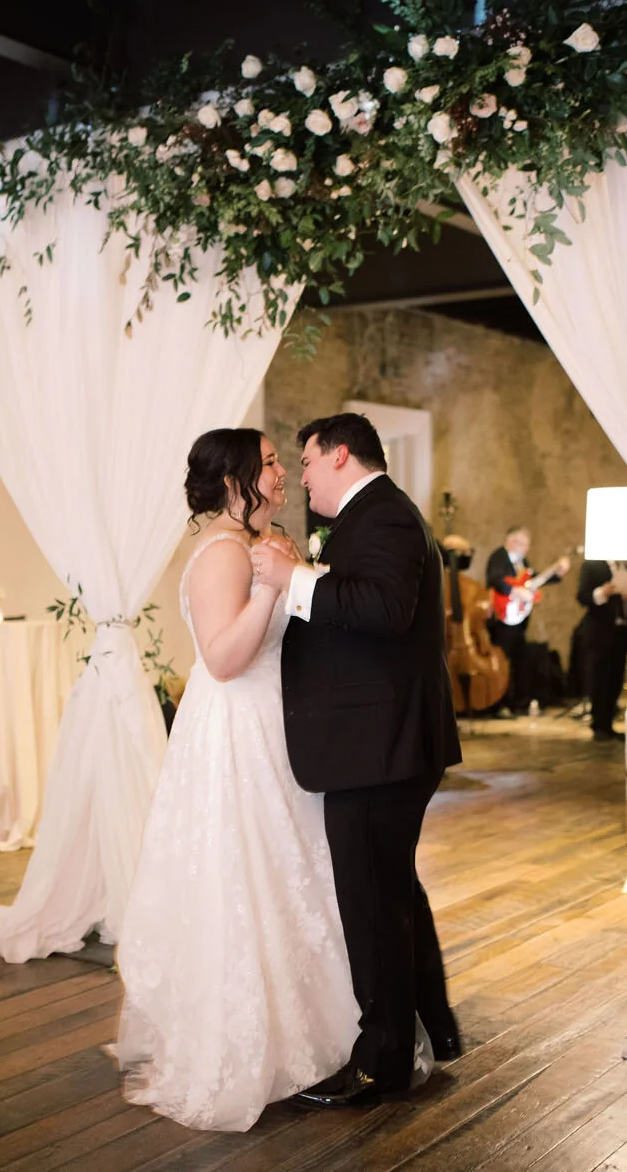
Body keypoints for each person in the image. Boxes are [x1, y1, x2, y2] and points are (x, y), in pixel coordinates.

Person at [115, 428, 361, 1132]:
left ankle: (309, 1033)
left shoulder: (261, 540)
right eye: (272, 460)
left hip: (270, 722)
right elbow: (222, 658)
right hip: (236, 729)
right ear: (234, 479)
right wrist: (267, 584)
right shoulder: (225, 552)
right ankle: (250, 1042)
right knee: (244, 877)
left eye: (285, 459)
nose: (283, 470)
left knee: (288, 878)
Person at [252, 412, 463, 1109]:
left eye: (307, 461)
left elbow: (384, 606)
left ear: (340, 455)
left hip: (381, 747)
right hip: (380, 741)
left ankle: (383, 1060)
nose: (302, 475)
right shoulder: (372, 516)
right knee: (392, 892)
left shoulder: (386, 518)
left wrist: (294, 578)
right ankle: (430, 1026)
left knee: (372, 901)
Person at [486, 527, 569, 713]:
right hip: (502, 617)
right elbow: (495, 579)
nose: (526, 548)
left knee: (518, 660)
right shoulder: (499, 556)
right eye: (523, 543)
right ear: (511, 541)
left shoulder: (522, 563)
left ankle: (515, 702)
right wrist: (515, 592)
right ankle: (498, 703)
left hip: (518, 619)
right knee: (502, 660)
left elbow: (532, 581)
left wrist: (556, 575)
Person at [576, 558, 627, 741]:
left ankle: (608, 723)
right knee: (599, 677)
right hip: (599, 630)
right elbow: (582, 596)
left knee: (616, 675)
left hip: (621, 628)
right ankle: (599, 724)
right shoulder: (593, 565)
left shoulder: (626, 565)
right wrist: (602, 592)